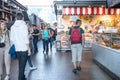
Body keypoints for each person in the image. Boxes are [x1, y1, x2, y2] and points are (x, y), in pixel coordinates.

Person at [10, 13, 31, 80]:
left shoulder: (12, 27)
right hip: (24, 49)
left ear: (16, 18)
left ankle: (23, 77)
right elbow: (25, 39)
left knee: (20, 65)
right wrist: (29, 49)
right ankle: (21, 78)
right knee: (22, 66)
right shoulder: (24, 26)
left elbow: (12, 39)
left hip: (17, 49)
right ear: (22, 18)